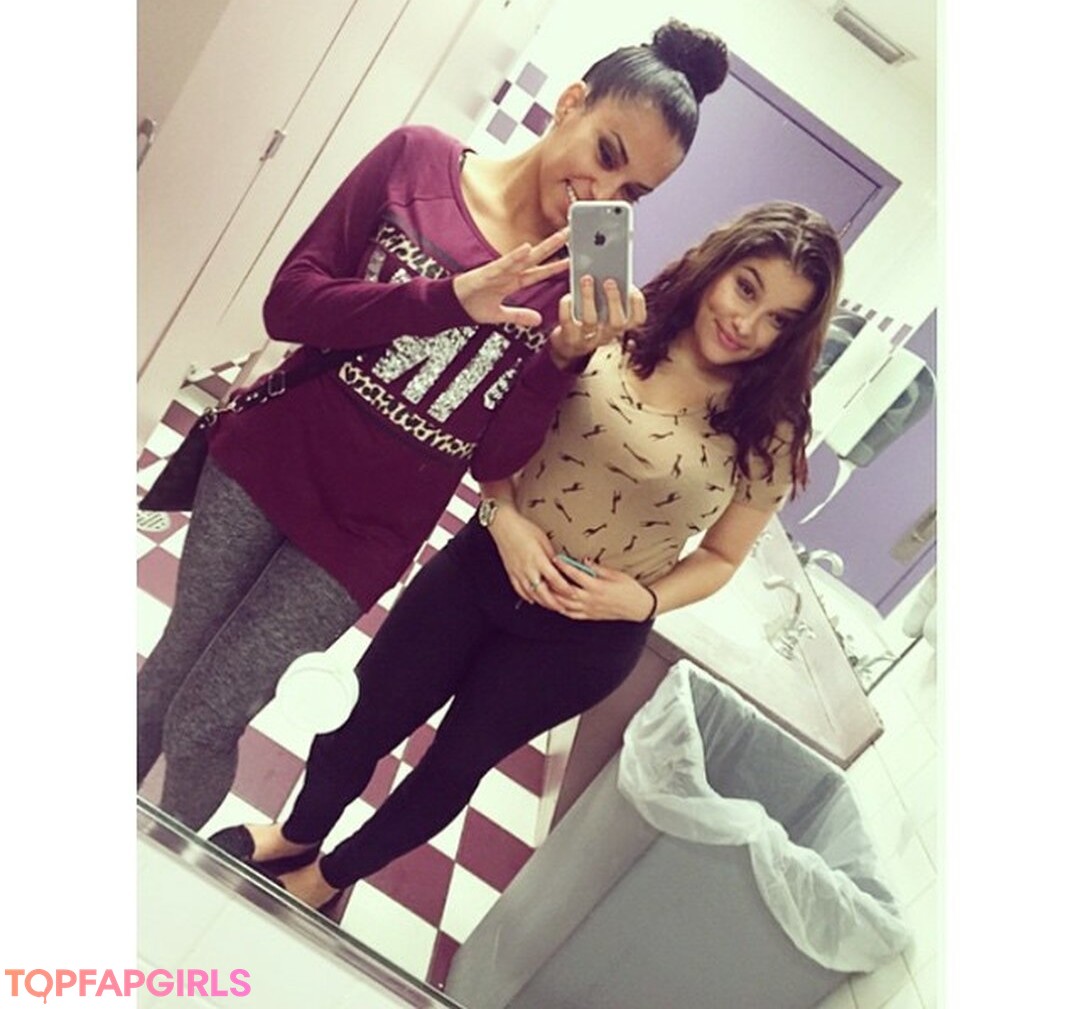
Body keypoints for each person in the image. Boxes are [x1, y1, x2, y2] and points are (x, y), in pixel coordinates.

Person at [137, 21, 730, 829]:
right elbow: (289, 304)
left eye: (630, 193)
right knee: (169, 672)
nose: (601, 193)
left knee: (208, 715)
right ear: (571, 103)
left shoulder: (570, 286)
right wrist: (448, 298)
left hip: (365, 535)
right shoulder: (417, 161)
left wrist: (562, 356)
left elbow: (493, 458)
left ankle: (164, 872)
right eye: (606, 153)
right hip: (263, 465)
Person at [211, 200, 844, 910]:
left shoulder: (771, 427)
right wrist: (501, 509)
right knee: (361, 719)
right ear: (715, 264)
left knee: (451, 769)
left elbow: (724, 556)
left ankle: (327, 877)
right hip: (482, 563)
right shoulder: (614, 325)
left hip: (582, 636)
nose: (747, 325)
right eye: (746, 288)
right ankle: (296, 834)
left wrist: (643, 601)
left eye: (779, 319)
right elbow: (501, 425)